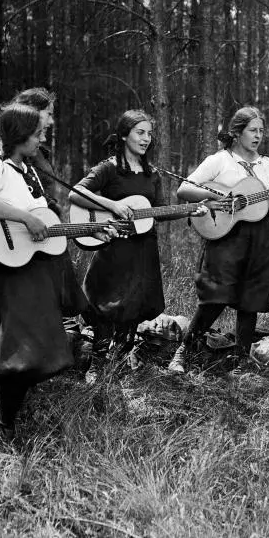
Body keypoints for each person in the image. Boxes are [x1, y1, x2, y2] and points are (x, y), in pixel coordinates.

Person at [0, 104, 116, 448]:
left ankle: (14, 418)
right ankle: (3, 430)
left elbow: (46, 226)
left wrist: (92, 230)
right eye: (38, 133)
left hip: (33, 272)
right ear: (20, 136)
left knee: (31, 346)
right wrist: (26, 218)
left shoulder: (26, 171)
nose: (43, 138)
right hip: (12, 274)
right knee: (18, 348)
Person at [167, 106, 269, 373]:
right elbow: (184, 188)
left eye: (261, 131)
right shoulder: (220, 160)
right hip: (227, 235)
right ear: (237, 133)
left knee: (251, 299)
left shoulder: (267, 165)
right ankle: (184, 350)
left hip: (261, 236)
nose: (258, 136)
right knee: (215, 294)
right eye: (252, 130)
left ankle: (239, 361)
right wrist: (218, 197)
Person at [70, 110, 204, 376]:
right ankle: (97, 364)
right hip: (115, 248)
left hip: (144, 251)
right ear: (123, 135)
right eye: (140, 132)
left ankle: (119, 364)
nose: (146, 139)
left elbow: (161, 211)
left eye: (149, 134)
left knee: (135, 309)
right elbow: (76, 193)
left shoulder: (152, 174)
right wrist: (113, 205)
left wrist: (192, 209)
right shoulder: (108, 168)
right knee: (107, 305)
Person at [11, 88, 90, 321]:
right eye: (49, 113)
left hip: (50, 228)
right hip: (32, 234)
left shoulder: (40, 151)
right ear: (32, 112)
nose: (52, 120)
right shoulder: (18, 150)